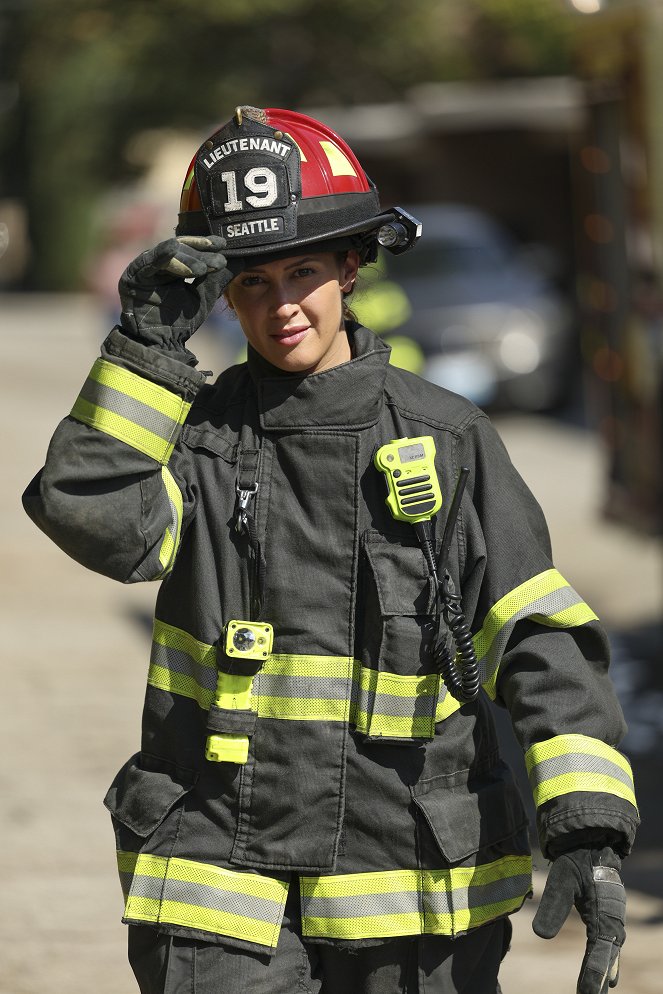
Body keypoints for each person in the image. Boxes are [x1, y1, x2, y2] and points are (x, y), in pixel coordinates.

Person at [23, 105, 638, 994]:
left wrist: (586, 822)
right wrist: (144, 351)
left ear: (350, 268)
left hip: (410, 893)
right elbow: (89, 510)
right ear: (222, 294)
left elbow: (536, 634)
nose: (281, 307)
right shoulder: (194, 440)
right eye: (253, 283)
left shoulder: (447, 438)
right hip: (220, 893)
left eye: (303, 272)